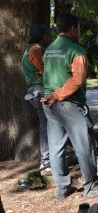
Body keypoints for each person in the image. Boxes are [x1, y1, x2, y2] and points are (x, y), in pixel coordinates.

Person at [41, 13, 98, 199]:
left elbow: (45, 73)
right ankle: (91, 187)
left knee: (56, 146)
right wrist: (57, 95)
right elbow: (77, 80)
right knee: (85, 145)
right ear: (73, 29)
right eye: (79, 29)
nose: (80, 32)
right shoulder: (76, 51)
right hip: (67, 104)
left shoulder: (49, 49)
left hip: (49, 104)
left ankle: (62, 188)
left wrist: (51, 95)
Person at [22, 23, 52, 174]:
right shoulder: (35, 49)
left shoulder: (32, 48)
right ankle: (46, 162)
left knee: (46, 125)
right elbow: (42, 66)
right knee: (47, 126)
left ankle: (49, 159)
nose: (50, 37)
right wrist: (45, 70)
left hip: (35, 91)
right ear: (41, 36)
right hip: (40, 90)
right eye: (47, 35)